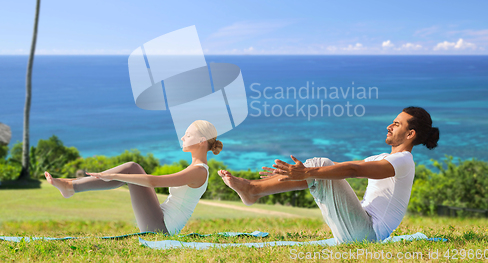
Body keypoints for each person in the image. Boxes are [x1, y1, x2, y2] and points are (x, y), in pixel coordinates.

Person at [218, 107, 439, 244]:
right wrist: (295, 173)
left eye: (397, 124)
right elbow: (344, 166)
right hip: (359, 229)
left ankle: (253, 191)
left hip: (366, 235)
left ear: (410, 134)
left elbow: (354, 171)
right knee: (323, 166)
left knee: (320, 165)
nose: (389, 126)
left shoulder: (402, 161)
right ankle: (254, 188)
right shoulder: (385, 157)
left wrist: (306, 171)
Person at [45, 120, 223, 235]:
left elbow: (154, 181)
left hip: (161, 228)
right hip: (161, 219)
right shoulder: (197, 168)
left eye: (188, 135)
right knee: (132, 168)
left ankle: (71, 187)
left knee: (132, 168)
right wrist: (115, 176)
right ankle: (70, 186)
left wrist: (113, 175)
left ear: (201, 141)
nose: (183, 137)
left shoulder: (199, 171)